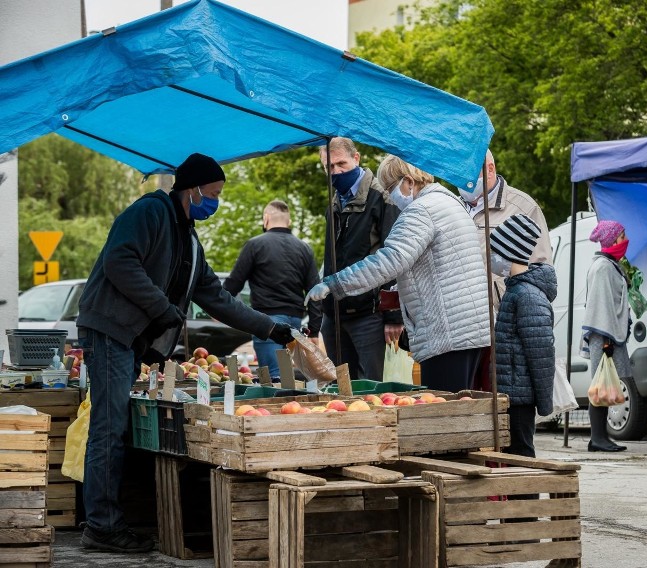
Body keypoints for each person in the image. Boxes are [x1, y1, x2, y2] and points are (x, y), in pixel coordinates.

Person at [75, 153, 295, 553]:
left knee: (114, 426)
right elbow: (119, 261)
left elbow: (218, 298)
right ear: (191, 188)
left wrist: (270, 327)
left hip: (128, 337)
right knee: (108, 428)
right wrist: (162, 309)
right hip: (108, 327)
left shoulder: (189, 240)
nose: (215, 201)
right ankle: (102, 526)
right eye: (212, 193)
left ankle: (107, 519)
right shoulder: (149, 212)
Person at [307, 154, 491, 392]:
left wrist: (335, 283)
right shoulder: (450, 203)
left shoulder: (420, 211)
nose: (390, 196)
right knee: (463, 405)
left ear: (408, 182)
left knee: (441, 412)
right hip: (469, 327)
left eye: (391, 188)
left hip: (446, 333)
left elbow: (389, 260)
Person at [318, 138, 403, 380]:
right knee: (342, 388)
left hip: (369, 314)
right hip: (334, 314)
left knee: (371, 389)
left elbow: (395, 257)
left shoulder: (382, 199)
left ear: (356, 158)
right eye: (329, 167)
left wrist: (393, 315)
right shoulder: (333, 203)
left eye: (341, 164)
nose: (336, 171)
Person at [224, 199, 322, 377]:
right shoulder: (304, 249)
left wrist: (220, 306)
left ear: (266, 218)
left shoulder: (255, 245)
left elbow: (234, 282)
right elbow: (314, 291)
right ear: (289, 221)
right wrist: (314, 330)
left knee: (274, 378)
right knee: (294, 378)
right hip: (295, 321)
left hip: (267, 322)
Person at [493, 214, 557, 458]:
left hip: (520, 395)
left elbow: (541, 354)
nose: (491, 258)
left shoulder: (527, 296)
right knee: (514, 452)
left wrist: (544, 402)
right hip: (512, 391)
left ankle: (528, 496)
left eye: (495, 252)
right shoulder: (514, 290)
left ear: (509, 253)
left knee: (522, 453)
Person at [457, 149, 552, 309]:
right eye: (458, 175)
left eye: (468, 174)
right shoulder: (453, 208)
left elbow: (541, 273)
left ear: (490, 169)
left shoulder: (524, 207)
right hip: (463, 318)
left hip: (503, 321)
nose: (462, 181)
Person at [582, 219, 630, 452]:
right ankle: (598, 438)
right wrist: (608, 340)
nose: (625, 241)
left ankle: (600, 437)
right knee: (600, 386)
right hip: (604, 336)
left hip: (606, 336)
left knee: (603, 385)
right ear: (611, 240)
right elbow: (601, 307)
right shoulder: (603, 268)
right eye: (622, 237)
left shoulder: (609, 265)